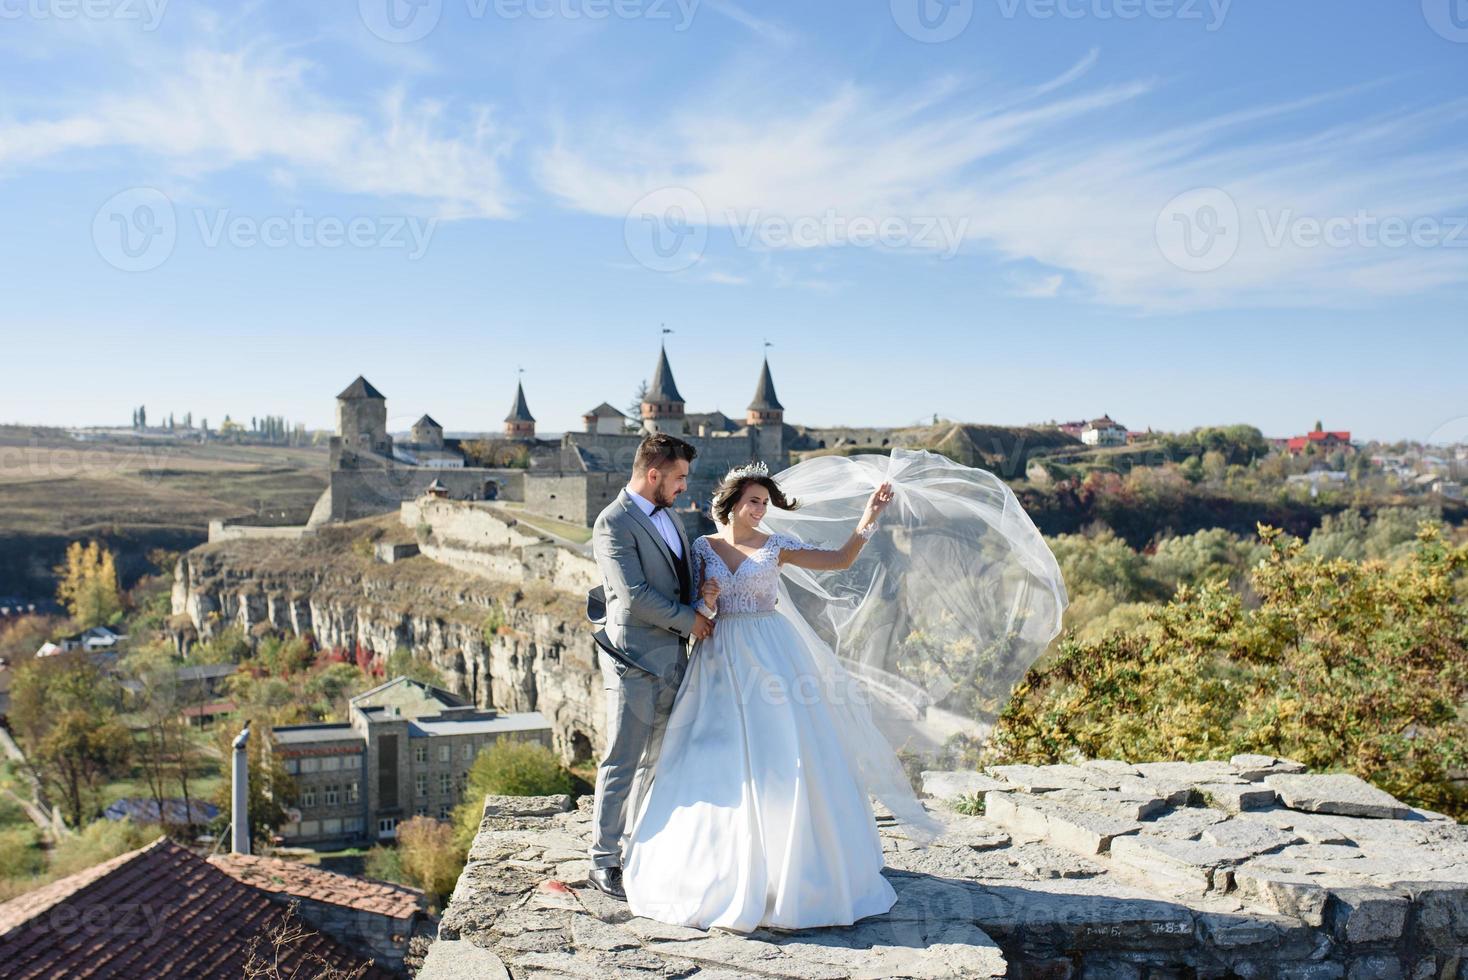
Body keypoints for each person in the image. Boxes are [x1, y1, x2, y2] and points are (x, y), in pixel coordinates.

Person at [620, 461, 907, 932]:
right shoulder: (702, 547)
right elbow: (695, 607)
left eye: (764, 502)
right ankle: (713, 867)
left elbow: (839, 560)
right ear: (731, 504)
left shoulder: (776, 546)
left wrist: (867, 519)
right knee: (712, 753)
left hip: (772, 654)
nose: (760, 509)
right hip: (717, 655)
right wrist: (707, 600)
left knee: (786, 753)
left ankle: (793, 873)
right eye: (752, 501)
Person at [584, 432, 716, 900]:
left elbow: (677, 581)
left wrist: (703, 600)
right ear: (654, 473)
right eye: (679, 477)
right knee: (622, 759)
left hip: (672, 658)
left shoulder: (672, 516)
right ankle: (603, 861)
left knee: (657, 759)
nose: (684, 487)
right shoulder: (612, 522)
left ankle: (639, 847)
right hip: (633, 661)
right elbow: (633, 595)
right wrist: (692, 622)